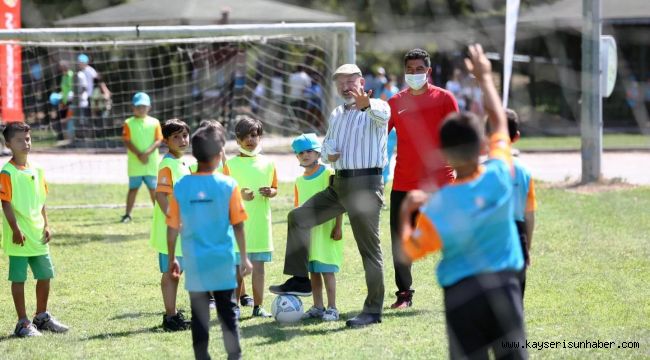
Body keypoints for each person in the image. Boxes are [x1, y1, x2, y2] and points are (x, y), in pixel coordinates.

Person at [400, 44, 527, 359]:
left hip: (460, 298)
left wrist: (406, 212)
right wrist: (485, 78)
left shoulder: (440, 204)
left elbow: (410, 251)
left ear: (443, 155)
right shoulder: (499, 174)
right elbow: (498, 122)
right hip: (505, 290)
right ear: (482, 144)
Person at [270, 64, 389, 328]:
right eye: (340, 83)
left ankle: (372, 311)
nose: (345, 87)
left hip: (366, 186)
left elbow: (381, 118)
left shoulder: (378, 106)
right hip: (339, 185)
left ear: (361, 80)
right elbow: (326, 149)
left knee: (369, 252)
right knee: (298, 217)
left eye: (350, 81)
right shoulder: (336, 113)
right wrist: (328, 154)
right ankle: (300, 279)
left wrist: (367, 104)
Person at [166, 124, 253, 360]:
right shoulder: (228, 185)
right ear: (218, 156)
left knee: (199, 314)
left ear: (195, 154)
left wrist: (173, 257)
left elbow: (172, 226)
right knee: (228, 311)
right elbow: (238, 224)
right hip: (223, 260)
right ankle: (234, 356)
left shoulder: (183, 185)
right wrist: (243, 257)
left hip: (195, 261)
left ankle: (202, 357)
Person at [387, 48, 459, 308]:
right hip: (404, 183)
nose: (414, 74)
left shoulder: (444, 98)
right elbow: (377, 135)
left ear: (428, 71)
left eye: (419, 69)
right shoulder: (394, 102)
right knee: (400, 241)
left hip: (440, 184)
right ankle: (404, 294)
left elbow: (457, 136)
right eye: (410, 70)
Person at [0, 122, 69, 337]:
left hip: (37, 234)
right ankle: (23, 322)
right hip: (18, 235)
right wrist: (14, 228)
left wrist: (46, 224)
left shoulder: (38, 169)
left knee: (45, 275)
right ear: (8, 143)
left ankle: (41, 316)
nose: (26, 143)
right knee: (18, 278)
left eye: (28, 139)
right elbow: (6, 203)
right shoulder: (7, 172)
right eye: (20, 140)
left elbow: (41, 201)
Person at [223, 115, 277, 318]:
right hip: (239, 226)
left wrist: (270, 192)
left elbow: (275, 188)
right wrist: (240, 195)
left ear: (260, 137)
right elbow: (224, 193)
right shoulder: (230, 165)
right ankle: (234, 306)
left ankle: (258, 306)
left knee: (259, 269)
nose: (250, 140)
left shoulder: (269, 163)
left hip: (261, 225)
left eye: (254, 135)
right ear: (237, 140)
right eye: (245, 136)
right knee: (238, 269)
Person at [290, 134, 344, 322]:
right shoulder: (298, 181)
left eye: (309, 151)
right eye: (301, 153)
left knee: (327, 270)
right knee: (313, 271)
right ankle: (318, 306)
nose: (305, 155)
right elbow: (297, 210)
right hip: (308, 235)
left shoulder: (328, 174)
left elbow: (338, 202)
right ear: (297, 157)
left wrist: (339, 227)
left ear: (318, 153)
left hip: (327, 232)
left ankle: (332, 307)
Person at [149, 119, 194, 331]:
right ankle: (170, 317)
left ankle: (173, 313)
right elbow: (160, 195)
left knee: (177, 271)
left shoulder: (182, 162)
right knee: (171, 272)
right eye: (176, 137)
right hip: (171, 230)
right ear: (166, 141)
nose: (182, 140)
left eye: (184, 135)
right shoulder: (167, 164)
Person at [498, 109, 537, 298]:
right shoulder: (525, 171)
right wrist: (526, 247)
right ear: (517, 136)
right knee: (515, 297)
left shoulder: (480, 170)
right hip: (517, 234)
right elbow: (529, 215)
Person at [120, 92, 163, 223]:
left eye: (144, 106)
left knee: (153, 190)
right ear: (132, 107)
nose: (141, 109)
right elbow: (127, 140)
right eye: (138, 106)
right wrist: (139, 154)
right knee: (133, 189)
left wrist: (146, 154)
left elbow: (158, 140)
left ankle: (159, 215)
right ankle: (127, 214)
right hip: (135, 164)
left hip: (151, 164)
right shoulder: (128, 123)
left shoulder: (155, 122)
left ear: (149, 107)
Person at [77, 53, 111, 130]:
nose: (79, 64)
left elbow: (98, 79)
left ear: (85, 62)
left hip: (93, 95)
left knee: (97, 112)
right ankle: (92, 130)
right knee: (89, 114)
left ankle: (99, 129)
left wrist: (103, 91)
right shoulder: (81, 72)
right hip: (86, 96)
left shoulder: (89, 70)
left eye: (80, 62)